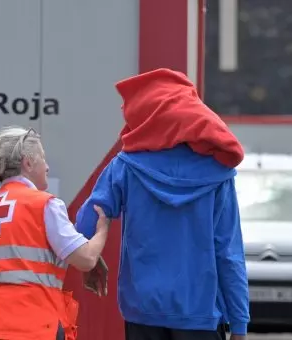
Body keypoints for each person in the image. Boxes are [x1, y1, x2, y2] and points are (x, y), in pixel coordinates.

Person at [76, 68, 250, 340]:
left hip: (142, 312)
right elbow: (228, 253)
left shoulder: (125, 166)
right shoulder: (218, 174)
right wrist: (239, 322)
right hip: (200, 316)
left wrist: (89, 261)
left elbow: (88, 220)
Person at [0, 126, 110, 340]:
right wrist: (102, 231)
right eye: (43, 158)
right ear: (28, 163)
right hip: (29, 329)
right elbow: (86, 258)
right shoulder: (43, 205)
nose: (47, 167)